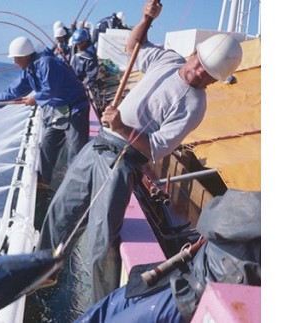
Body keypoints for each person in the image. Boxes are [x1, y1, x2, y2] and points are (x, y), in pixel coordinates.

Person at [38, 0, 243, 302]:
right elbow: (134, 45)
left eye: (207, 74)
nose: (198, 73)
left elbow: (157, 148)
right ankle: (41, 272)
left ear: (215, 81)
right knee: (60, 211)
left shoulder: (195, 106)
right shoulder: (167, 60)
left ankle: (101, 307)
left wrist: (121, 127)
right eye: (199, 63)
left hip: (122, 162)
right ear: (193, 53)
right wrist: (146, 19)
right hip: (99, 145)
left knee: (100, 241)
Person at [75, 189, 261, 322]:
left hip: (185, 298)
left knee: (104, 311)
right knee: (105, 310)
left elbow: (211, 214)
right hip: (179, 281)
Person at [0, 36, 90, 190]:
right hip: (61, 110)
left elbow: (51, 89)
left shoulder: (46, 63)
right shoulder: (29, 69)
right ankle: (43, 182)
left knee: (76, 150)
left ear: (25, 56)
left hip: (76, 108)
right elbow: (14, 90)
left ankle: (77, 188)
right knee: (48, 144)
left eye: (16, 58)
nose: (14, 62)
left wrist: (35, 98)